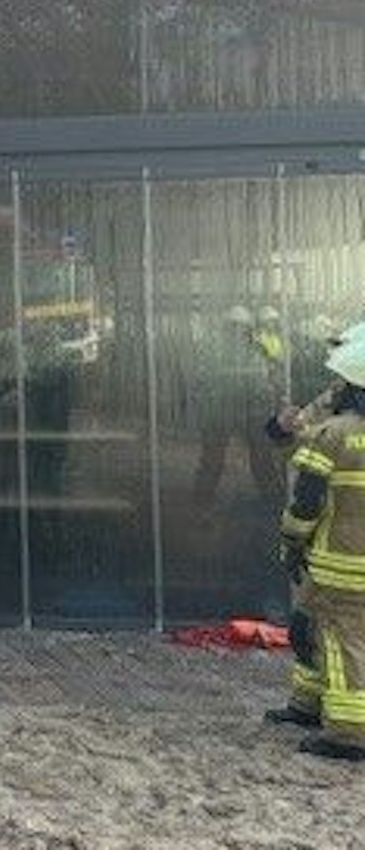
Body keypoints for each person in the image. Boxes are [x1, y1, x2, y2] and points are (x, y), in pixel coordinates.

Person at [266, 318, 365, 728]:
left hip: (337, 555)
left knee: (343, 639)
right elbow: (294, 433)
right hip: (333, 551)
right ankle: (307, 703)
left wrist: (292, 540)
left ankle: (349, 729)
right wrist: (281, 427)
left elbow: (308, 495)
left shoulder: (337, 430)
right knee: (307, 628)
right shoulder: (333, 409)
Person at [192, 305, 285, 507]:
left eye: (240, 328)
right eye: (233, 328)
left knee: (259, 456)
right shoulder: (218, 350)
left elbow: (272, 377)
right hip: (229, 408)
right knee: (216, 456)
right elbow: (202, 379)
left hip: (246, 408)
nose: (237, 333)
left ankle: (272, 499)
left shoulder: (257, 349)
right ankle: (202, 497)